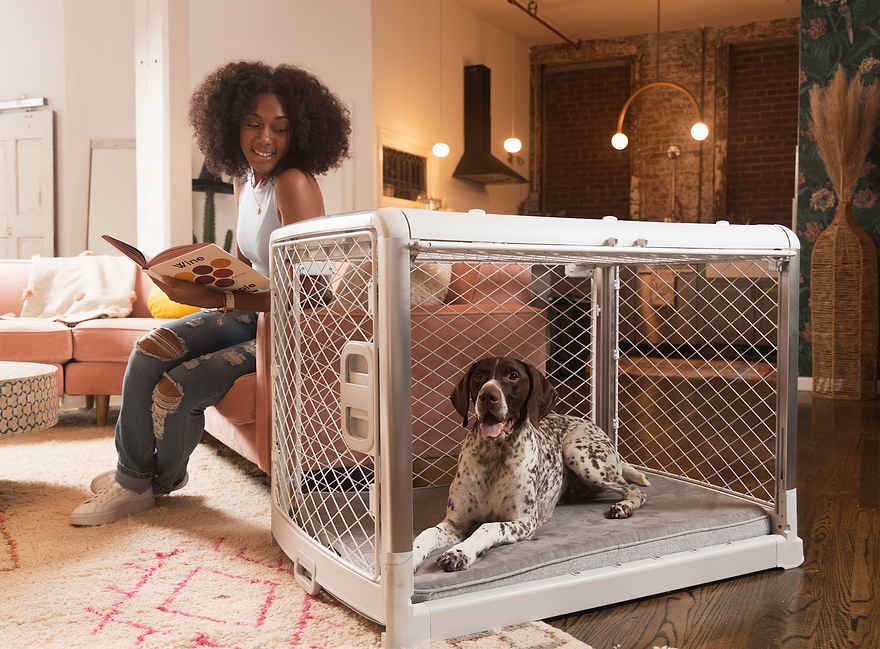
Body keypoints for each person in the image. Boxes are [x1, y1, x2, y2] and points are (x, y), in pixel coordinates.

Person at [70, 61, 350, 525]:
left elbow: (313, 294)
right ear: (231, 126)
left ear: (299, 133)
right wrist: (192, 279)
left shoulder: (294, 184)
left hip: (289, 328)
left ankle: (153, 483)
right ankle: (131, 479)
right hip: (249, 313)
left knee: (179, 387)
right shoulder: (245, 179)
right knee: (146, 351)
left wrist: (222, 301)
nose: (266, 139)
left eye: (280, 129)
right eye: (253, 125)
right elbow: (244, 269)